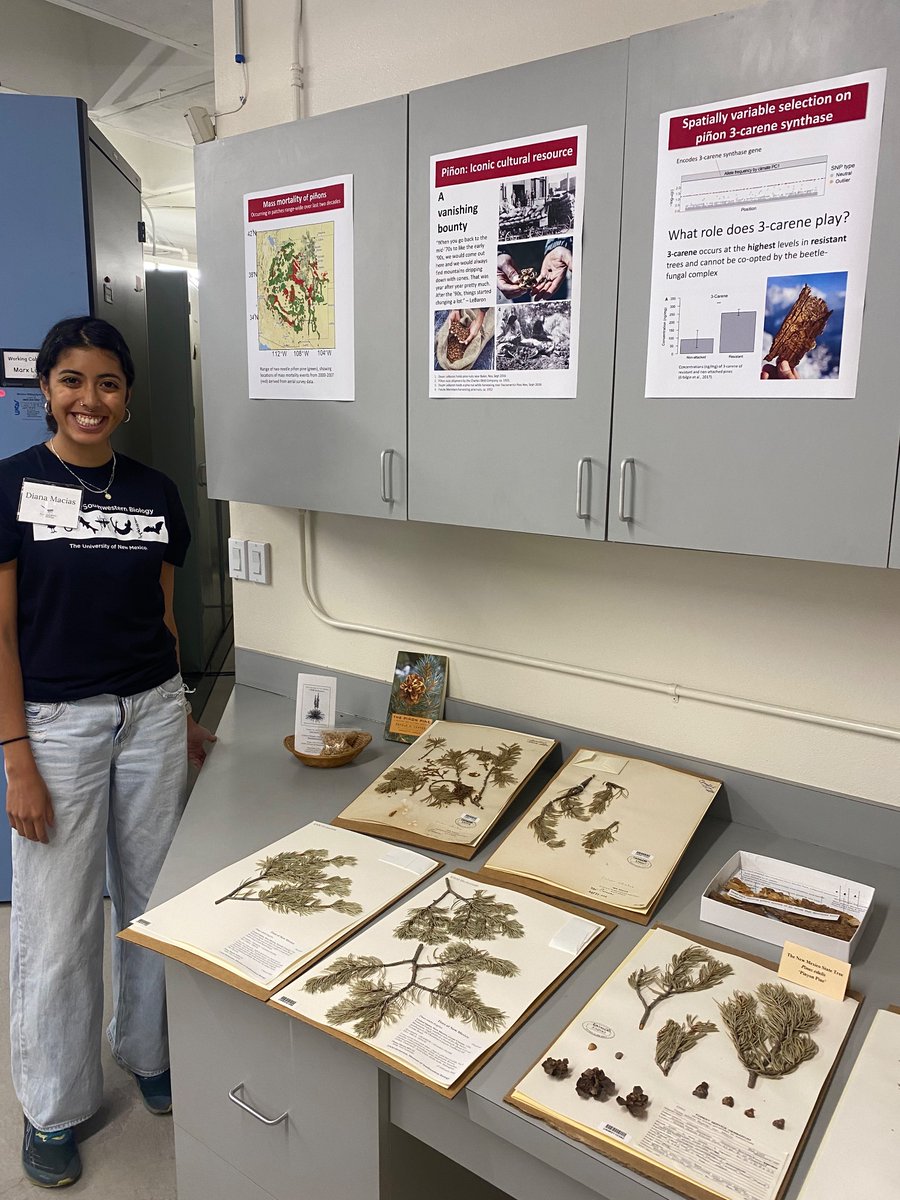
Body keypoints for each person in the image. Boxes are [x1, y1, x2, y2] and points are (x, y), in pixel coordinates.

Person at [0, 315, 216, 1187]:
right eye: (73, 382)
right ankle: (52, 1107)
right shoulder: (13, 486)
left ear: (127, 397)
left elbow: (160, 612)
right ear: (45, 390)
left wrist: (183, 709)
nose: (90, 400)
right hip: (57, 727)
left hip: (153, 713)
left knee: (157, 901)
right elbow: (3, 634)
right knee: (56, 925)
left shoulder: (156, 492)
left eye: (109, 384)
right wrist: (16, 755)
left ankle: (149, 1048)